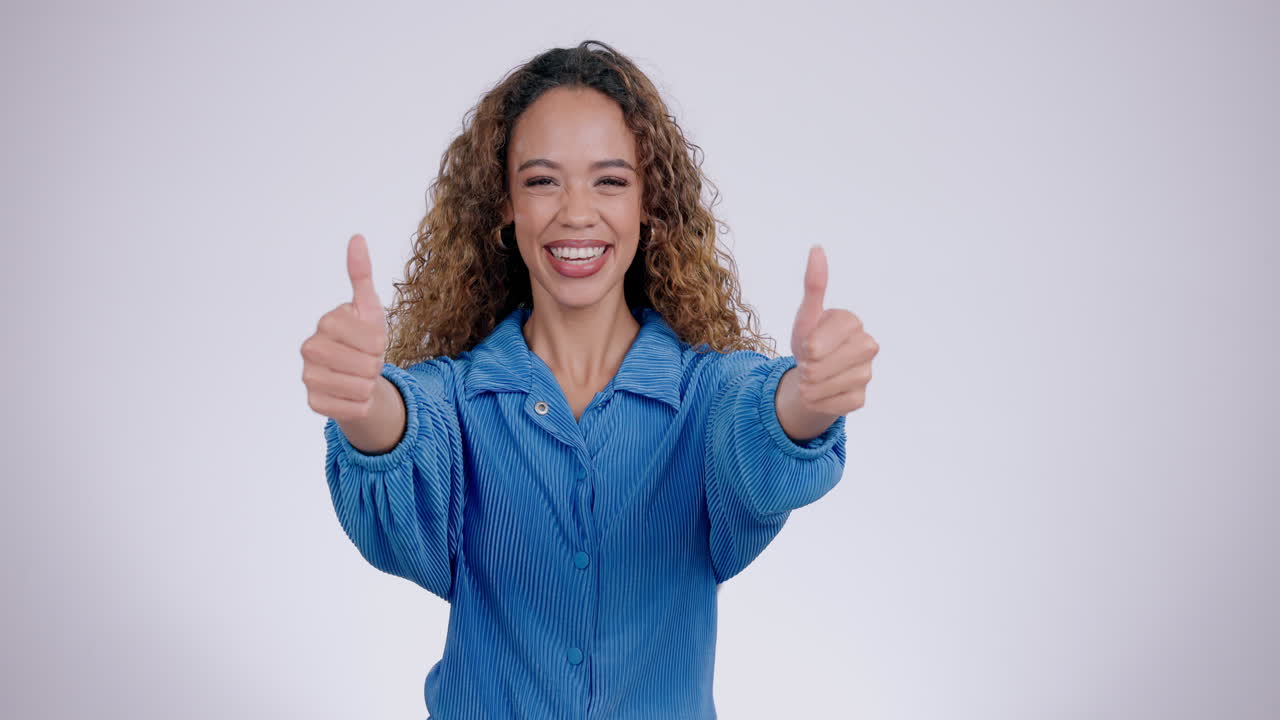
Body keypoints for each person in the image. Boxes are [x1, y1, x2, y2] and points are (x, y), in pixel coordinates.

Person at [301, 39, 879, 720]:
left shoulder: (704, 396)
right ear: (504, 205)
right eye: (543, 180)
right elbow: (405, 431)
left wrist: (807, 399)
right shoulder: (455, 401)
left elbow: (760, 423)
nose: (577, 212)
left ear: (649, 204)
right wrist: (363, 401)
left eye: (610, 180)